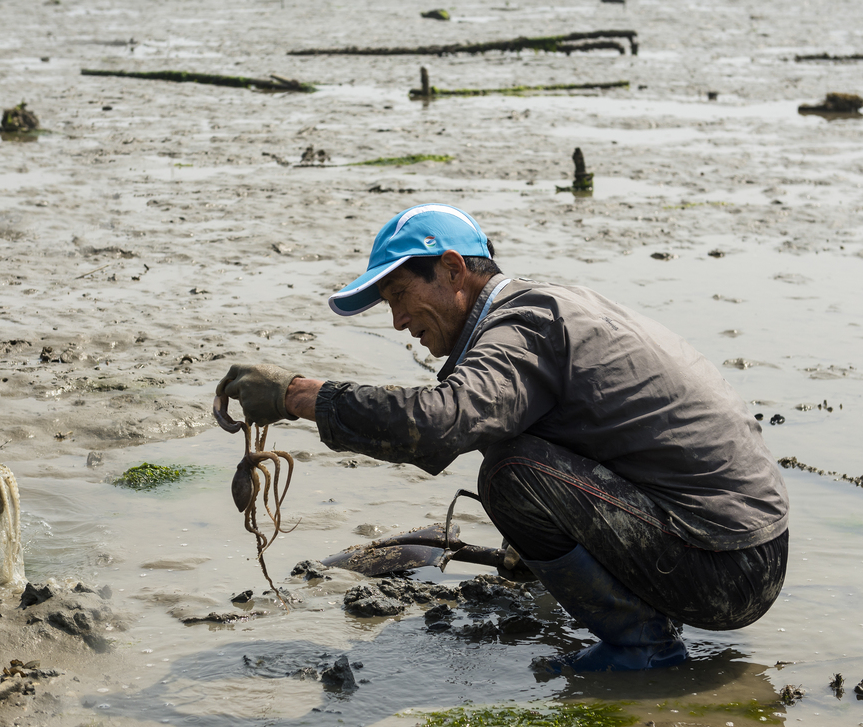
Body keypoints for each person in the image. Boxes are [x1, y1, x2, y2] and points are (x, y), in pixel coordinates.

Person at [213, 203, 788, 672]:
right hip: (741, 547)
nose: (396, 322)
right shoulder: (544, 307)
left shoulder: (524, 324)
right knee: (508, 445)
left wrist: (299, 396)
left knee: (509, 473)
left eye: (398, 296)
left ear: (453, 270)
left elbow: (441, 422)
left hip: (727, 563)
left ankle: (643, 648)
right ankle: (633, 622)